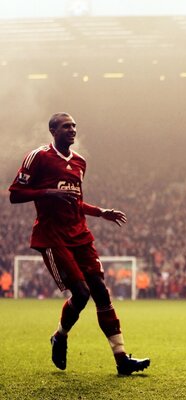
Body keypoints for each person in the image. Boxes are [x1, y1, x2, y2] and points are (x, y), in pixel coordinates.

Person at [8, 112, 150, 375]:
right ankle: (59, 336)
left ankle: (122, 360)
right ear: (52, 130)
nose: (72, 130)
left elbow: (74, 201)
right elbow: (14, 194)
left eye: (74, 126)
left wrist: (101, 212)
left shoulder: (80, 162)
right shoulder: (38, 157)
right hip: (53, 236)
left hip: (81, 236)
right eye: (66, 126)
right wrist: (48, 192)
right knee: (82, 294)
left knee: (101, 292)